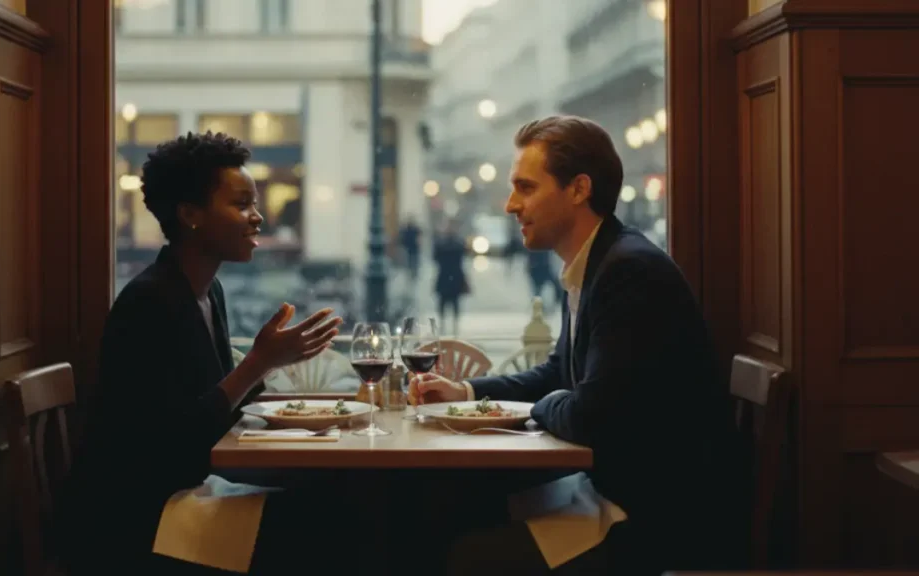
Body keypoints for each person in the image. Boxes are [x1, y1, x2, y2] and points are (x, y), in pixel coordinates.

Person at [410, 116, 741, 575]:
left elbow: (588, 416)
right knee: (454, 510)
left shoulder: (629, 272)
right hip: (612, 489)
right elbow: (556, 373)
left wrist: (540, 406)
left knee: (467, 554)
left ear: (579, 189)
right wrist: (464, 393)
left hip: (654, 516)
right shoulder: (599, 261)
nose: (510, 205)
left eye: (526, 187)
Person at [56, 132, 346, 575]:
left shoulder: (208, 292)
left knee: (329, 496)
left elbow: (215, 411)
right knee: (329, 520)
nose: (257, 217)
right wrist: (260, 362)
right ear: (190, 214)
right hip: (135, 516)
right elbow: (174, 442)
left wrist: (274, 367)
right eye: (242, 204)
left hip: (180, 489)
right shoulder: (149, 302)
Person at [432, 220, 469, 336]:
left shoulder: (441, 243)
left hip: (445, 275)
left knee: (445, 302)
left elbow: (435, 257)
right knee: (453, 302)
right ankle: (452, 324)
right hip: (454, 275)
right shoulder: (458, 243)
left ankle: (445, 323)